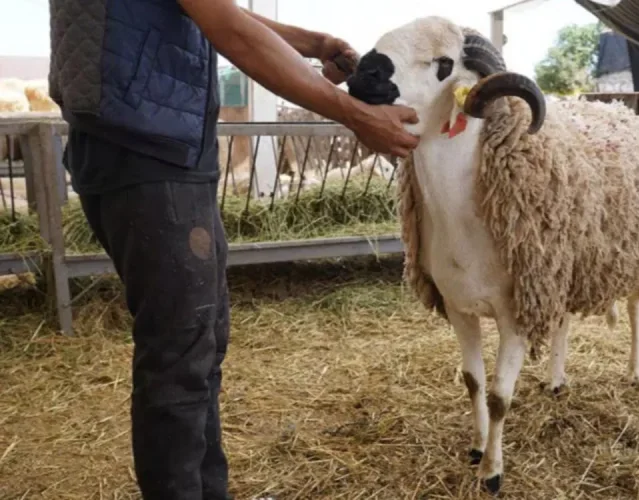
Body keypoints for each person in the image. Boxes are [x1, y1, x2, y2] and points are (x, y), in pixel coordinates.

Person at [47, 0, 420, 499]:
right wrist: (356, 115)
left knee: (200, 342)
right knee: (180, 354)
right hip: (146, 149)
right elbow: (228, 27)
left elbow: (214, 13)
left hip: (157, 145)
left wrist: (310, 43)